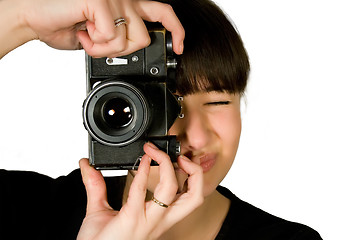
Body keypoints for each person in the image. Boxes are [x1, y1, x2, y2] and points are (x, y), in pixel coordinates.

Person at [0, 0, 323, 239]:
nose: (195, 138)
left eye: (218, 101)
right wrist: (22, 17)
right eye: (161, 106)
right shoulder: (32, 211)